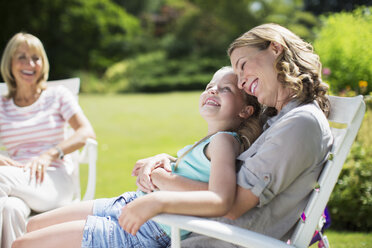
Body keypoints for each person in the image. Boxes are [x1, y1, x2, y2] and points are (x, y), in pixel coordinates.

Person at [12, 66, 262, 248]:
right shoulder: (212, 141)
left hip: (145, 228)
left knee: (23, 244)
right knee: (30, 227)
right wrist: (164, 159)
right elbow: (194, 170)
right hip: (129, 203)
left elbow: (217, 196)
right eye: (209, 86)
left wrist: (160, 178)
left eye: (225, 89)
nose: (212, 91)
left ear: (245, 110)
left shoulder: (224, 141)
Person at [131, 23, 334, 247]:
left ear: (275, 48)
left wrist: (161, 179)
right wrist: (167, 161)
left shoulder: (300, 123)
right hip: (184, 232)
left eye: (243, 65)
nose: (241, 83)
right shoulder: (278, 121)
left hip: (201, 239)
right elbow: (219, 173)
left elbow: (231, 203)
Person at [0, 32, 96, 248]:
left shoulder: (57, 95)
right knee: (10, 209)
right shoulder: (2, 105)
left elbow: (86, 132)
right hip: (17, 180)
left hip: (54, 179)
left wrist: (51, 153)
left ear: (43, 63)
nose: (30, 63)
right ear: (10, 63)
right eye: (22, 57)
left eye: (36, 57)